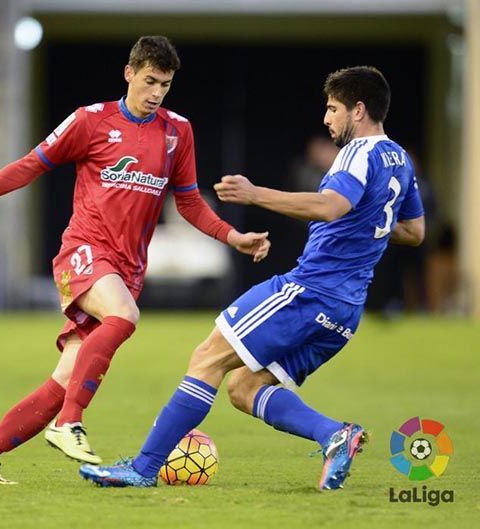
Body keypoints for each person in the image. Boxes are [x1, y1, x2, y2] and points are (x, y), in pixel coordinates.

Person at [0, 36, 270, 485]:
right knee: (125, 316)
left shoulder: (177, 132)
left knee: (61, 382)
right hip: (84, 250)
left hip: (127, 268)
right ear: (129, 73)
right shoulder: (91, 121)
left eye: (165, 85)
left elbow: (187, 202)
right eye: (149, 81)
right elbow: (30, 165)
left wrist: (233, 236)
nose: (156, 93)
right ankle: (69, 423)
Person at [80, 65, 426, 491]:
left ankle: (143, 467)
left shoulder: (358, 152)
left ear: (358, 110)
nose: (327, 119)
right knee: (243, 387)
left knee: (207, 357)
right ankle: (335, 434)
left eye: (333, 109)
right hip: (346, 311)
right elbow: (414, 231)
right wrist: (369, 219)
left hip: (310, 292)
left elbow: (330, 206)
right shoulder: (400, 160)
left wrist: (253, 194)